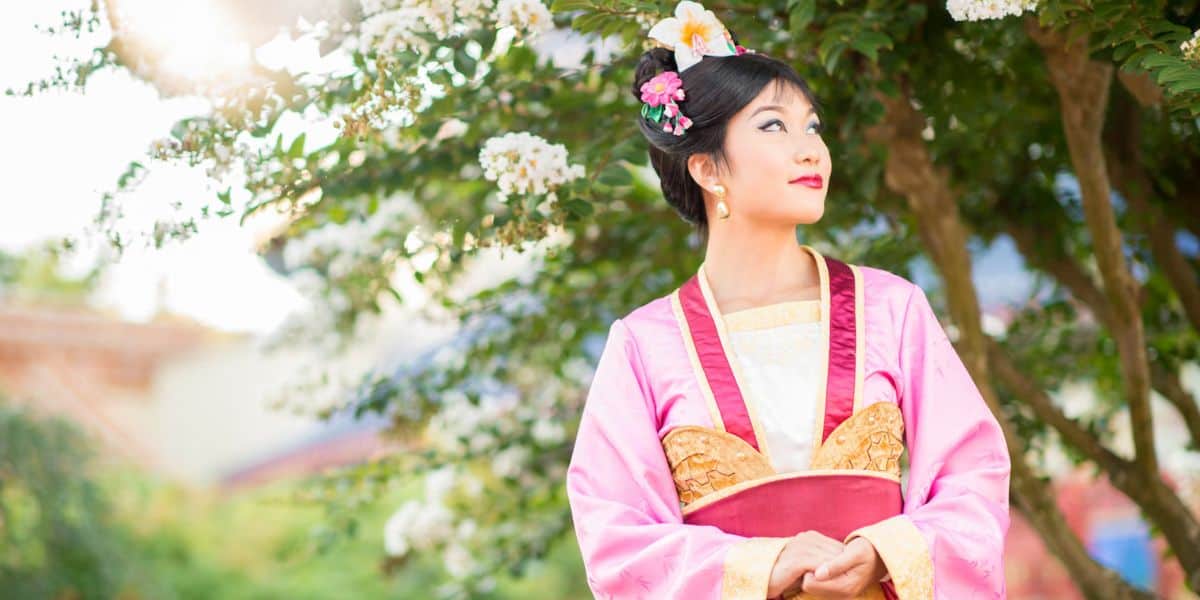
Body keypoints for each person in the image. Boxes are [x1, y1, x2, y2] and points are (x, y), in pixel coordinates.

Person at [563, 2, 1011, 599]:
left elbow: (973, 481)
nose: (810, 150)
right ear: (705, 167)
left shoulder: (892, 308)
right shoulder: (644, 345)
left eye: (813, 127)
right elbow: (616, 537)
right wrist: (762, 566)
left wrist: (884, 551)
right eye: (774, 126)